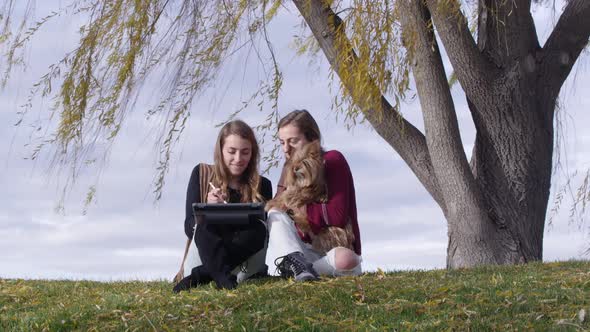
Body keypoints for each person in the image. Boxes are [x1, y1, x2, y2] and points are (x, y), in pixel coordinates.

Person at [173, 120, 272, 292]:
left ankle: (200, 276)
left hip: (245, 259)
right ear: (221, 151)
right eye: (231, 152)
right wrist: (210, 209)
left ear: (252, 153)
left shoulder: (263, 185)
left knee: (259, 229)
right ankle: (221, 277)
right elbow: (189, 228)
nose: (238, 159)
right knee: (204, 224)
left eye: (245, 152)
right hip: (206, 249)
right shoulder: (201, 173)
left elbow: (262, 236)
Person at [265, 109, 362, 281]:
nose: (286, 149)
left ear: (312, 138)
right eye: (282, 142)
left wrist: (296, 204)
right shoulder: (288, 169)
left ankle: (301, 272)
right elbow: (276, 206)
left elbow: (336, 216)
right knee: (275, 214)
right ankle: (298, 266)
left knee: (345, 260)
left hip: (330, 250)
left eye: (293, 141)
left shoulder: (332, 160)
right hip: (300, 250)